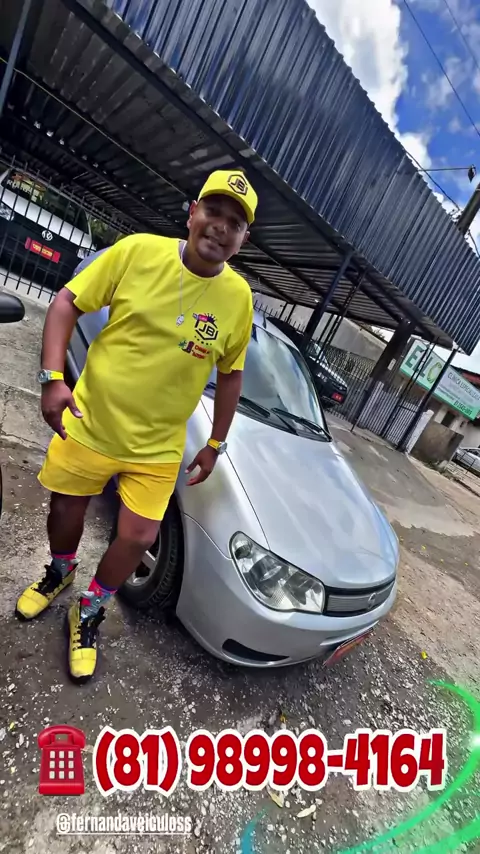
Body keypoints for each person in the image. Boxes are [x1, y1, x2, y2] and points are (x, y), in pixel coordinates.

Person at [15, 169, 257, 684]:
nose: (220, 226)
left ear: (243, 239)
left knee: (138, 535)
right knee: (64, 510)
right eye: (213, 211)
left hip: (158, 446)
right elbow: (67, 301)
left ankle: (90, 609)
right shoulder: (138, 252)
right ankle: (60, 571)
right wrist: (52, 379)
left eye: (235, 223)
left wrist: (215, 442)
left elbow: (231, 374)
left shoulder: (238, 298)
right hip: (91, 422)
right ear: (192, 213)